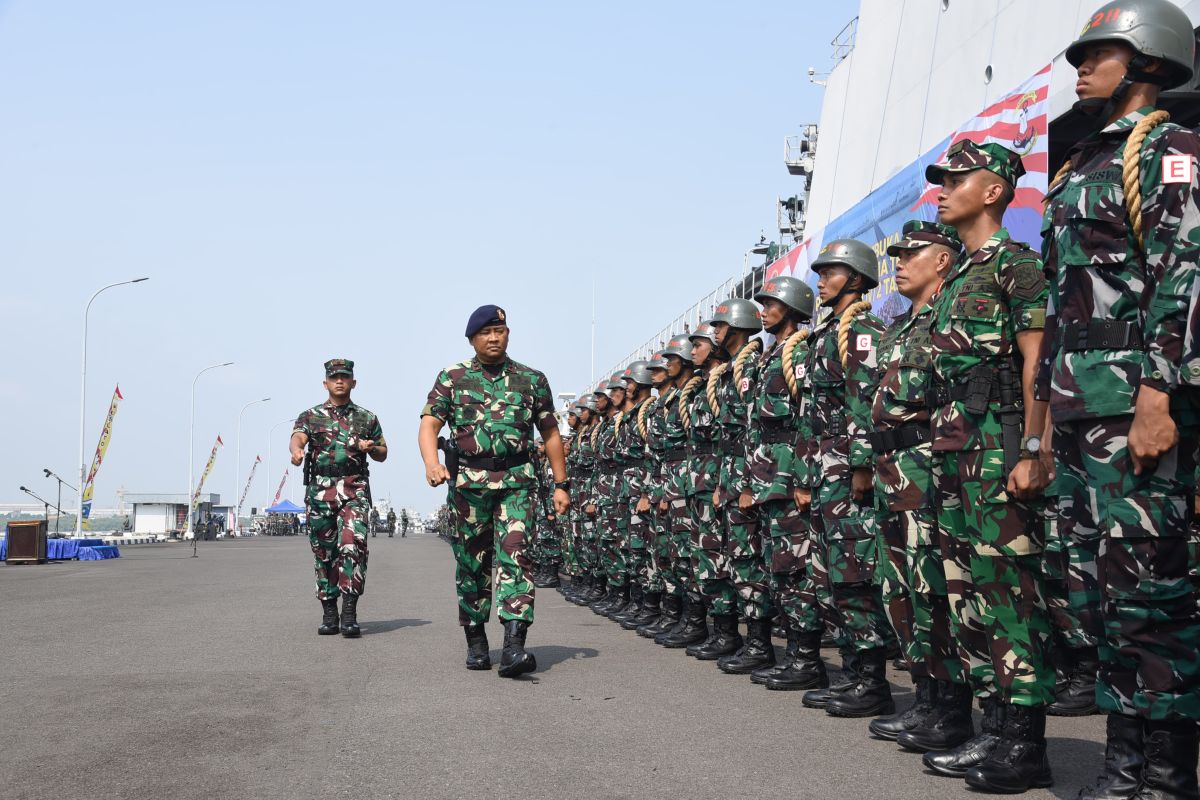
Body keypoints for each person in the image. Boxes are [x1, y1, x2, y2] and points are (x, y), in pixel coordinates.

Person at [1040, 2, 1200, 795]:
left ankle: (1165, 774)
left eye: (1097, 51)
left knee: (1151, 593)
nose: (1081, 64)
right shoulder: (1082, 165)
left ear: (1146, 59)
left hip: (1131, 403)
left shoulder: (1170, 152)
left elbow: (1185, 278)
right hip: (1078, 407)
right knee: (1097, 590)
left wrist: (1158, 395)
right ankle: (1124, 761)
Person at [922, 140, 1055, 792]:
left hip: (1000, 450)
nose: (942, 190)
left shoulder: (1016, 268)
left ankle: (1024, 743)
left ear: (995, 190)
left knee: (1008, 597)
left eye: (955, 179)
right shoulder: (960, 282)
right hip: (956, 457)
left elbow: (1038, 363)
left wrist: (1034, 449)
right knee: (967, 597)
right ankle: (992, 730)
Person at [419, 304, 569, 678]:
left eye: (499, 331)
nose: (493, 338)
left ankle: (515, 646)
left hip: (517, 482)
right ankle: (476, 641)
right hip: (469, 486)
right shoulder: (452, 377)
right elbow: (429, 424)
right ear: (473, 339)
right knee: (472, 565)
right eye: (485, 333)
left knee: (516, 557)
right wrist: (431, 464)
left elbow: (550, 433)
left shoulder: (531, 380)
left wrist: (561, 484)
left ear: (507, 334)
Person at [865, 221, 968, 745]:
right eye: (897, 255)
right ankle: (925, 698)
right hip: (892, 473)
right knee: (899, 588)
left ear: (943, 260)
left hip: (927, 466)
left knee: (933, 586)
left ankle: (950, 708)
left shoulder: (949, 321)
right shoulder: (898, 328)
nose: (899, 263)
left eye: (912, 254)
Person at [801, 239, 895, 718]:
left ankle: (872, 680)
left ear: (856, 279)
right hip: (825, 468)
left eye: (831, 272)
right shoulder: (827, 333)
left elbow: (866, 399)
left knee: (855, 574)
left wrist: (861, 464)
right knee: (831, 576)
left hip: (847, 470)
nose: (820, 280)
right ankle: (853, 671)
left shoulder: (862, 329)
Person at [744, 276, 826, 692]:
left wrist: (804, 478)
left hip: (790, 470)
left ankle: (807, 658)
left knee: (797, 569)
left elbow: (809, 417)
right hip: (768, 475)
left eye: (772, 302)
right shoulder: (769, 355)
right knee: (778, 568)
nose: (764, 309)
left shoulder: (800, 352)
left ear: (792, 308)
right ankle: (796, 652)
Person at [290, 358, 388, 639]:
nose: (340, 381)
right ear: (326, 383)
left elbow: (383, 452)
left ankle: (350, 613)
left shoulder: (367, 418)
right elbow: (297, 437)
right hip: (320, 492)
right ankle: (329, 612)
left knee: (353, 547)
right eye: (334, 377)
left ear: (353, 382)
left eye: (345, 377)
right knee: (324, 551)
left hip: (354, 489)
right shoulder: (310, 416)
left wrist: (371, 448)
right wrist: (297, 451)